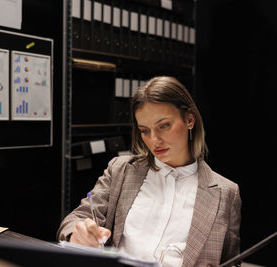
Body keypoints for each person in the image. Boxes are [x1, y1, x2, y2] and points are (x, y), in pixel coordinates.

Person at [57, 76, 241, 267]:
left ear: (189, 120)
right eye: (145, 130)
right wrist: (78, 234)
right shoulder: (120, 170)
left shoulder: (225, 193)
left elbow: (231, 262)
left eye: (164, 126)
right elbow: (75, 220)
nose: (154, 140)